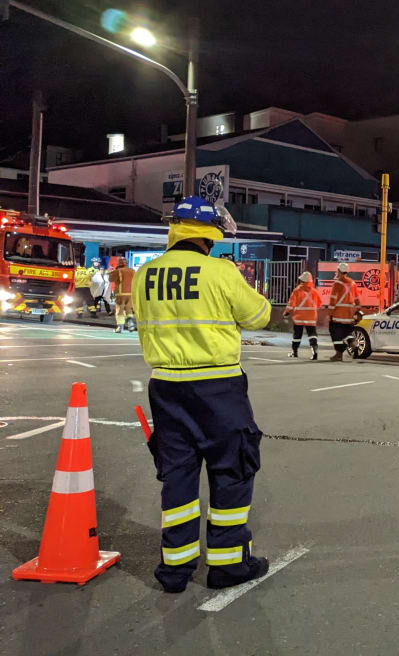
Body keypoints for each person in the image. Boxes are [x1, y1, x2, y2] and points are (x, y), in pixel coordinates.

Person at [132, 196, 272, 593]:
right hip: (218, 386)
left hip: (165, 385)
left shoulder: (147, 274)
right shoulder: (221, 271)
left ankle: (175, 570)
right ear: (210, 234)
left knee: (177, 474)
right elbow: (259, 316)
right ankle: (227, 566)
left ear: (175, 229)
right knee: (232, 470)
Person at [283, 271, 322, 360]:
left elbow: (291, 303)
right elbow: (319, 304)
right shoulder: (314, 292)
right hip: (311, 317)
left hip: (299, 317)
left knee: (297, 335)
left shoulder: (297, 290)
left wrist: (286, 312)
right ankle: (314, 351)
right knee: (312, 334)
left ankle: (294, 352)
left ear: (302, 281)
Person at [326, 263, 361, 361]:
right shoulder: (352, 283)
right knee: (347, 332)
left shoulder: (337, 283)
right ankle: (353, 343)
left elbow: (333, 300)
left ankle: (338, 354)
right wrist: (358, 310)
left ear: (339, 271)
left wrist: (330, 313)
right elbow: (357, 299)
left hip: (338, 314)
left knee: (335, 333)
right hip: (349, 314)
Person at [109, 257, 135, 333]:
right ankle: (131, 323)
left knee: (120, 310)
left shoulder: (118, 271)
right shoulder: (132, 271)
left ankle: (120, 327)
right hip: (131, 294)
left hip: (120, 294)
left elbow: (111, 279)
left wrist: (112, 272)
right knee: (129, 309)